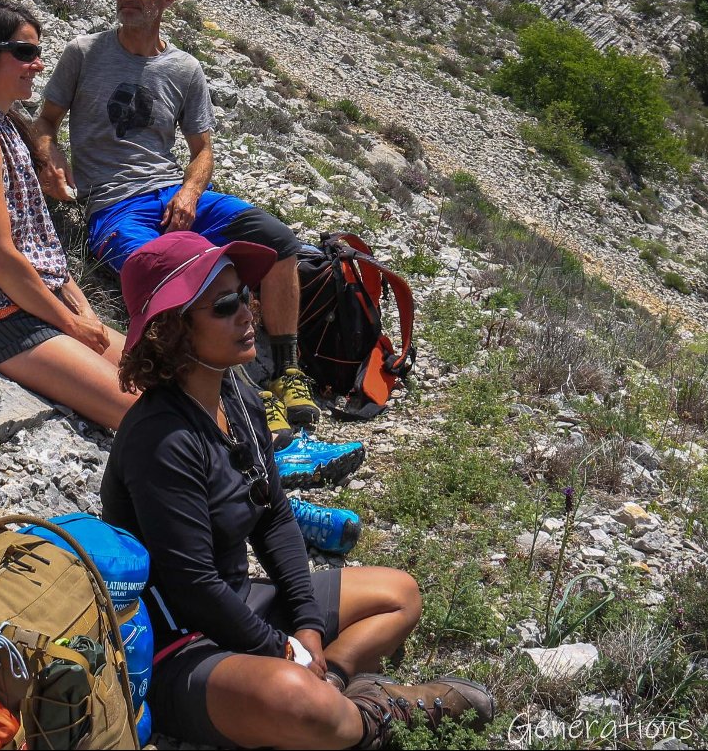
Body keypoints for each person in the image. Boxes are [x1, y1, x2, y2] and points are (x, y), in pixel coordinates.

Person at [100, 231, 495, 749]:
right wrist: (279, 651)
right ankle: (373, 715)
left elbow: (274, 515)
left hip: (236, 604)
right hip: (177, 644)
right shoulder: (162, 438)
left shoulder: (236, 394)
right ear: (171, 331)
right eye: (225, 305)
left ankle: (336, 683)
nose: (248, 311)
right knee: (298, 701)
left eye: (245, 294)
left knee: (399, 594)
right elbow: (192, 586)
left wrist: (306, 627)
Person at [32, 0, 320, 442]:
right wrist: (50, 157)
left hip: (172, 192)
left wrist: (189, 191)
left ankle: (288, 371)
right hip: (115, 205)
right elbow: (45, 123)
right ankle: (249, 396)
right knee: (188, 286)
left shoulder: (184, 68)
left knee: (279, 243)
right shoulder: (84, 52)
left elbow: (203, 149)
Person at [0, 0, 137, 431]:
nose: (38, 64)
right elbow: (1, 257)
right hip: (1, 317)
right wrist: (71, 323)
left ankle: (261, 477)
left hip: (39, 302)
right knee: (148, 413)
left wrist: (82, 311)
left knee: (172, 386)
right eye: (25, 53)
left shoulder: (3, 123)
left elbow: (38, 240)